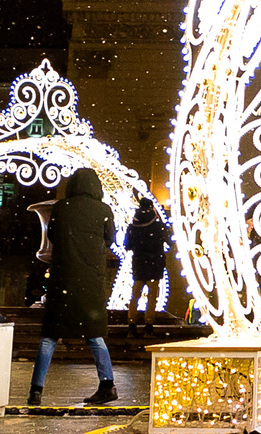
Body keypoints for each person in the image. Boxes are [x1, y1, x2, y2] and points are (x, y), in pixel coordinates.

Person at [31, 167, 119, 407]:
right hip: (91, 280)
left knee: (49, 336)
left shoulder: (61, 208)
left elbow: (52, 236)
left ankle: (36, 390)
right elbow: (110, 238)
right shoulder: (104, 210)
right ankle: (107, 384)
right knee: (95, 335)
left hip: (63, 279)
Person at [124, 196, 170, 331]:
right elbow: (170, 241)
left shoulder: (133, 226)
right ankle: (149, 324)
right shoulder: (159, 226)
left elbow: (127, 245)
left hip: (139, 263)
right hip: (155, 264)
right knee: (152, 296)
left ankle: (132, 323)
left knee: (135, 295)